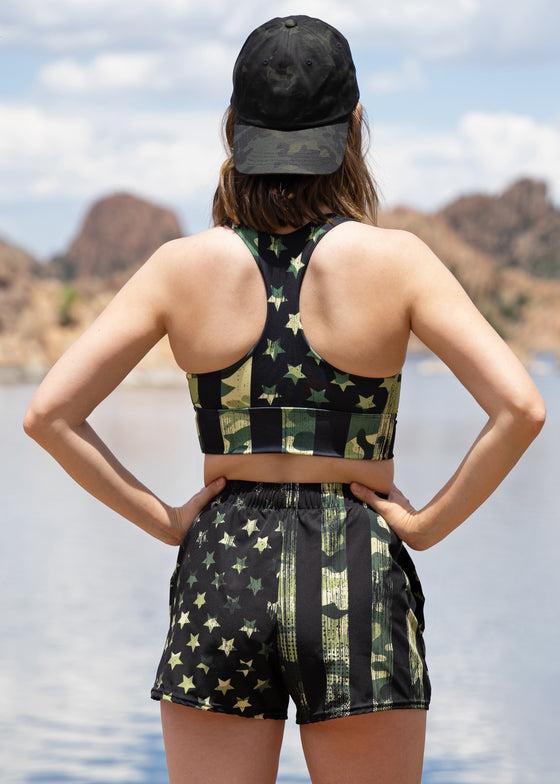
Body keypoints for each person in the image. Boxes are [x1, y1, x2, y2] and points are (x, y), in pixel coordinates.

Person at [23, 14, 545, 784]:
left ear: (234, 128)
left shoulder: (180, 267)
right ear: (355, 125)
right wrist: (427, 525)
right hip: (357, 561)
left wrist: (165, 520)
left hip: (223, 562)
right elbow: (521, 409)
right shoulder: (398, 261)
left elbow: (49, 416)